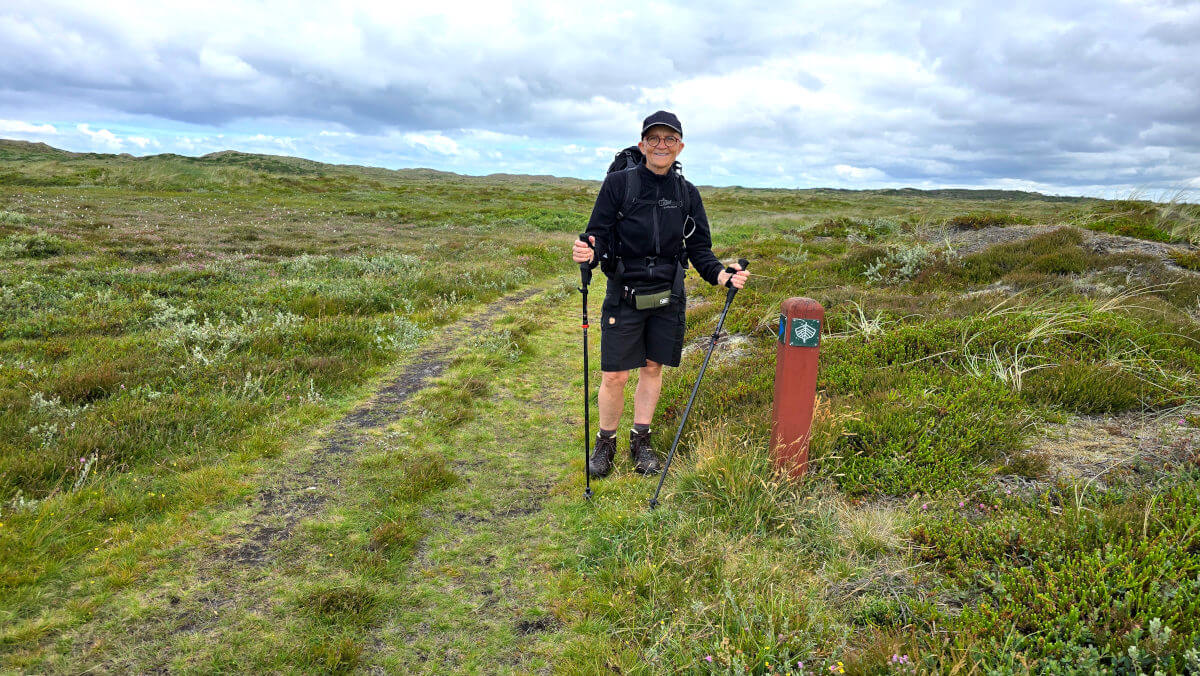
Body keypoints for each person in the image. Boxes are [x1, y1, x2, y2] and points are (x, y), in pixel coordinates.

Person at [571, 110, 748, 478]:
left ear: (680, 146)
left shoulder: (686, 193)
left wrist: (721, 276)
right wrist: (589, 250)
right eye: (654, 138)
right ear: (642, 144)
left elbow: (700, 250)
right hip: (624, 292)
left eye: (669, 139)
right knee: (615, 376)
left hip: (668, 294)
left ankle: (642, 439)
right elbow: (597, 234)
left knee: (652, 369)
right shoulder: (619, 185)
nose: (661, 145)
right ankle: (606, 442)